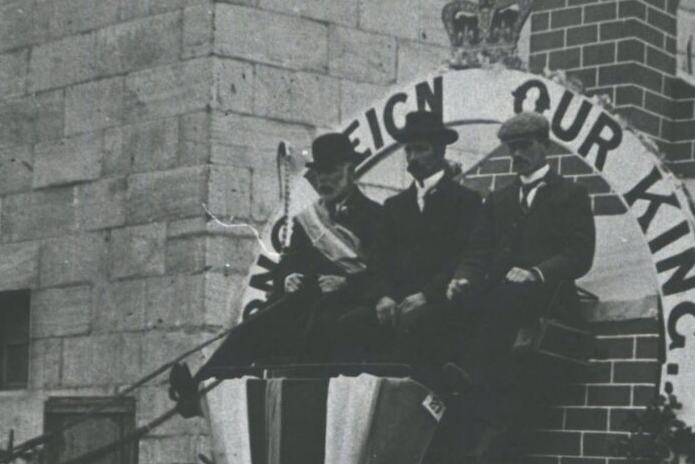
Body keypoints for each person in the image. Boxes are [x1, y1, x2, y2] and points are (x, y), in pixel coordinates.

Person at [200, 132, 387, 378]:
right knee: (256, 324)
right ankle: (203, 381)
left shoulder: (378, 216)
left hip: (348, 304)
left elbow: (384, 272)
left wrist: (346, 283)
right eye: (319, 173)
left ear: (350, 171)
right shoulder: (307, 220)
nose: (323, 180)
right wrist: (289, 277)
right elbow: (287, 265)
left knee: (317, 330)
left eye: (330, 171)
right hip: (307, 302)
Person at [445, 111, 596, 377]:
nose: (516, 154)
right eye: (512, 147)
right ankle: (452, 382)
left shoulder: (571, 195)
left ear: (544, 145)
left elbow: (580, 254)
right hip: (501, 300)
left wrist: (535, 273)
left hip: (549, 297)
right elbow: (477, 251)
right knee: (454, 303)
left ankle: (467, 376)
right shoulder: (498, 200)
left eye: (525, 145)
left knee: (499, 309)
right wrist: (463, 278)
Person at [339, 109, 483, 373]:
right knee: (349, 325)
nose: (412, 158)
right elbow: (378, 259)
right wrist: (382, 296)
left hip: (439, 304)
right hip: (396, 304)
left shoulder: (466, 202)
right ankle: (358, 408)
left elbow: (465, 257)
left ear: (440, 152)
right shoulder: (395, 206)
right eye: (408, 150)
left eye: (421, 149)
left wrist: (427, 295)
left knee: (419, 331)